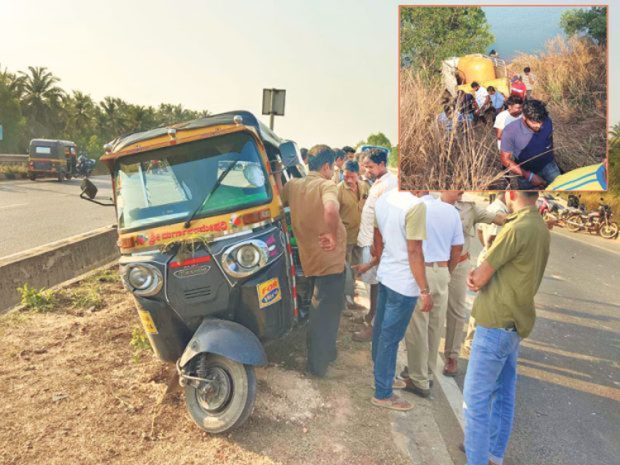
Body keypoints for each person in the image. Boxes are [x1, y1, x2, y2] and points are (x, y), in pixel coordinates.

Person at [463, 190, 550, 465]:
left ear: (511, 192)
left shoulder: (516, 227)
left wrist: (473, 275)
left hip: (495, 321)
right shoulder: (539, 225)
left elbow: (479, 277)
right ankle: (492, 455)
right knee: (503, 394)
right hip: (515, 321)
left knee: (474, 403)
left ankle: (478, 459)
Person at [277, 145, 347, 377]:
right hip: (330, 260)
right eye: (332, 168)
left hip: (311, 257)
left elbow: (279, 196)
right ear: (327, 166)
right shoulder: (326, 185)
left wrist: (276, 172)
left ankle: (328, 352)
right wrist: (331, 234)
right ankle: (318, 365)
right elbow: (330, 209)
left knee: (323, 307)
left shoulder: (294, 185)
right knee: (325, 312)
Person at [369, 189, 432, 411]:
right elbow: (414, 250)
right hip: (403, 282)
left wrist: (380, 258)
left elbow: (377, 236)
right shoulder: (415, 206)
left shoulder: (385, 197)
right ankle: (383, 393)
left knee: (380, 330)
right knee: (390, 337)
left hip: (387, 273)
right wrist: (424, 290)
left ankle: (380, 376)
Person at [402, 192, 464, 398]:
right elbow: (458, 247)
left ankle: (418, 378)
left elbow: (411, 249)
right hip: (442, 271)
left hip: (421, 270)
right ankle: (426, 371)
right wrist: (449, 271)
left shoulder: (415, 207)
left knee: (418, 326)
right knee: (435, 326)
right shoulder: (451, 211)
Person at [441, 192, 506, 377]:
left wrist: (525, 219)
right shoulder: (431, 201)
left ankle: (452, 356)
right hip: (435, 264)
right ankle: (424, 359)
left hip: (459, 265)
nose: (461, 190)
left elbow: (499, 219)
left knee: (456, 311)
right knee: (430, 310)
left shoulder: (470, 207)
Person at [350, 148, 398, 342]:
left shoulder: (390, 185)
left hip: (377, 244)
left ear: (382, 164)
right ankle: (371, 316)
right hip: (370, 240)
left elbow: (387, 219)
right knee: (373, 285)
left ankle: (374, 327)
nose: (366, 171)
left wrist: (378, 247)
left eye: (370, 167)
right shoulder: (379, 182)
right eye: (365, 167)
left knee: (379, 285)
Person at [462, 192, 510, 356]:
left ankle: (471, 340)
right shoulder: (499, 209)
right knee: (484, 300)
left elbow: (482, 233)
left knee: (484, 299)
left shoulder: (490, 207)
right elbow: (492, 239)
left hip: (487, 255)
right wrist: (490, 253)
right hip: (492, 257)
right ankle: (472, 340)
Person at [500, 99, 560, 189]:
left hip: (549, 165)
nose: (539, 126)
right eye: (534, 122)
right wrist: (529, 176)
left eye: (541, 121)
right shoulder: (510, 131)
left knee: (561, 189)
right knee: (528, 199)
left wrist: (552, 157)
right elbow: (505, 159)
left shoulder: (547, 121)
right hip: (525, 171)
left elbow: (549, 139)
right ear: (524, 117)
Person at [338, 159, 370, 311]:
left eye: (352, 176)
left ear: (358, 174)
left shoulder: (364, 186)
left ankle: (350, 297)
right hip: (345, 238)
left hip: (360, 237)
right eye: (346, 176)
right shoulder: (338, 190)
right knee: (345, 272)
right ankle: (346, 303)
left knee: (355, 269)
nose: (349, 180)